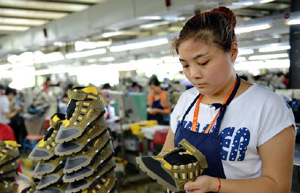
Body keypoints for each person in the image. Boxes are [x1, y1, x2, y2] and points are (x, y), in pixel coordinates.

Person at [161, 7, 296, 193]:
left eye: (203, 63)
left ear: (232, 52)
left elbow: (278, 186)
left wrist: (214, 185)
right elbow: (166, 156)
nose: (193, 74)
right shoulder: (187, 100)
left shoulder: (267, 106)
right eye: (185, 65)